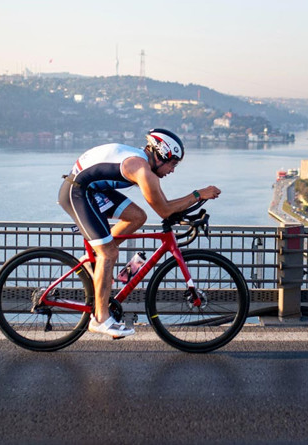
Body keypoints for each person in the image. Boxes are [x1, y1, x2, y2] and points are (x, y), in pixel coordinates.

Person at [58, 129, 221, 338]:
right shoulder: (141, 170)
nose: (172, 170)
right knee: (109, 253)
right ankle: (100, 319)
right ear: (161, 155)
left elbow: (166, 205)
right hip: (77, 192)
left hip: (93, 189)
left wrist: (189, 204)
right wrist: (198, 194)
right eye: (172, 163)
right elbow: (164, 210)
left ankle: (95, 261)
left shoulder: (144, 166)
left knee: (137, 217)